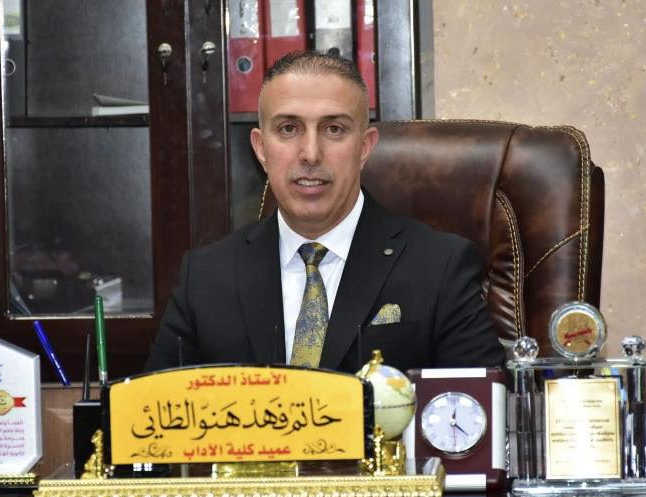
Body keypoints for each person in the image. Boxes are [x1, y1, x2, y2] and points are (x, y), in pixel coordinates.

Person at [145, 51, 505, 373]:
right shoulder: (205, 278)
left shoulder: (440, 267)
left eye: (334, 129)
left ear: (364, 147)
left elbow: (480, 409)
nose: (310, 154)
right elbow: (152, 414)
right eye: (288, 129)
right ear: (261, 148)